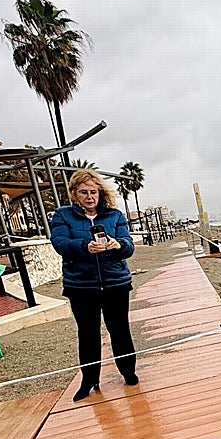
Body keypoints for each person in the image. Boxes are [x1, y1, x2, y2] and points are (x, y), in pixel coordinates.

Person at [50, 169, 139, 401]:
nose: (89, 197)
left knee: (120, 330)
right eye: (83, 192)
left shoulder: (114, 216)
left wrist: (116, 245)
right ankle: (89, 379)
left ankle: (129, 372)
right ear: (74, 194)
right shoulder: (62, 216)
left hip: (115, 284)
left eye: (93, 192)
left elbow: (129, 246)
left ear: (100, 193)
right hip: (81, 287)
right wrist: (84, 246)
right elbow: (59, 243)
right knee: (87, 334)